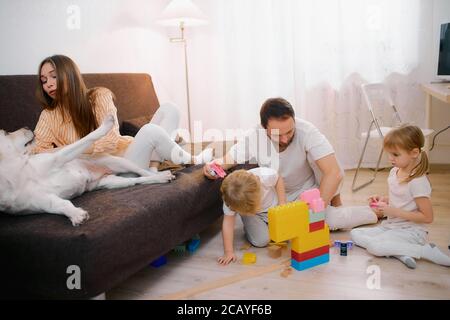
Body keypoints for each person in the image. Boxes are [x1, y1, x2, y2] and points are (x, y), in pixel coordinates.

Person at [204, 97, 377, 231]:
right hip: (276, 198)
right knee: (272, 234)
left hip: (307, 192)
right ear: (264, 129)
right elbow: (227, 160)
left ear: (294, 120)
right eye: (278, 135)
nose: (285, 139)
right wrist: (212, 166)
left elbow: (334, 172)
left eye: (290, 131)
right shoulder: (254, 136)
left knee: (329, 218)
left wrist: (317, 211)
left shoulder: (307, 131)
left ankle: (375, 212)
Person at [33, 54, 213, 172]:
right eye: (44, 80)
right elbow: (37, 153)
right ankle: (193, 160)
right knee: (150, 131)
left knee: (170, 109)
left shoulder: (98, 96)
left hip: (131, 151)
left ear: (69, 75)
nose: (48, 83)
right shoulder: (48, 116)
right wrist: (74, 150)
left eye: (54, 76)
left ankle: (153, 167)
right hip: (114, 169)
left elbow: (110, 139)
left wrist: (71, 150)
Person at [351, 124, 450, 269]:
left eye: (395, 155)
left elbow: (428, 217)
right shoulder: (394, 172)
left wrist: (394, 212)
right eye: (389, 153)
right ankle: (400, 252)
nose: (390, 158)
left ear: (414, 153)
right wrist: (384, 199)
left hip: (411, 232)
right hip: (391, 226)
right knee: (354, 234)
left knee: (374, 247)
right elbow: (403, 199)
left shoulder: (418, 182)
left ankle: (426, 251)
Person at [217, 167, 286, 265]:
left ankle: (263, 224)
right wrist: (228, 252)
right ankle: (251, 226)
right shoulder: (230, 200)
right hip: (254, 216)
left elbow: (278, 179)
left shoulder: (265, 175)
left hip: (273, 209)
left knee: (286, 234)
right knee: (261, 241)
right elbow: (228, 223)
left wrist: (282, 203)